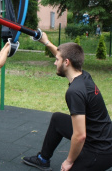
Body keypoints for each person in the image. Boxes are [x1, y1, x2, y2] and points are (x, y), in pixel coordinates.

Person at [22, 32, 112, 171]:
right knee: (58, 118)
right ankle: (43, 159)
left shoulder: (74, 91)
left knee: (67, 168)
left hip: (100, 150)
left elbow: (80, 136)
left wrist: (69, 161)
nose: (54, 62)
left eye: (56, 60)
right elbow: (64, 56)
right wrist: (46, 42)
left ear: (66, 62)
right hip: (100, 136)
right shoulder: (84, 76)